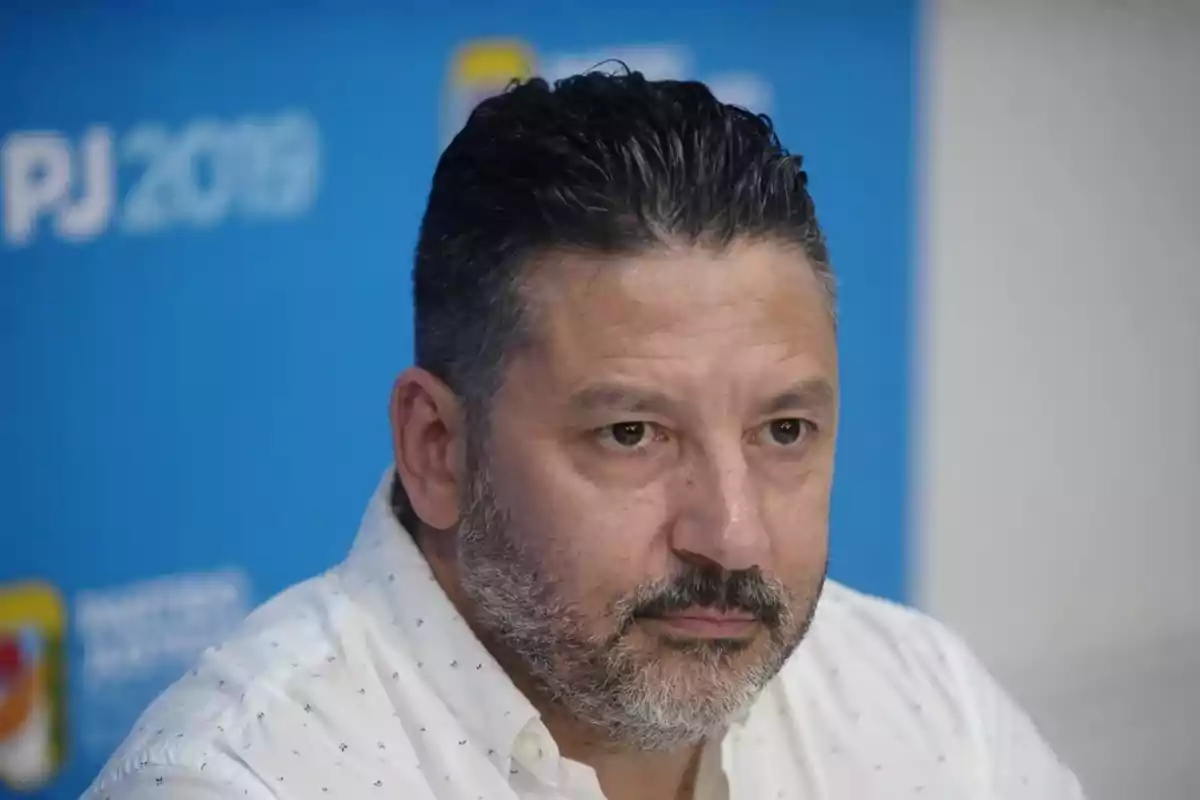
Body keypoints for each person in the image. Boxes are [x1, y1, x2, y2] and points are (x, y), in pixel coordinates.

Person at [83, 70, 1085, 800]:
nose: (731, 536)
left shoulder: (925, 703)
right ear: (439, 448)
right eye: (633, 432)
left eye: (785, 428)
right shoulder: (235, 779)